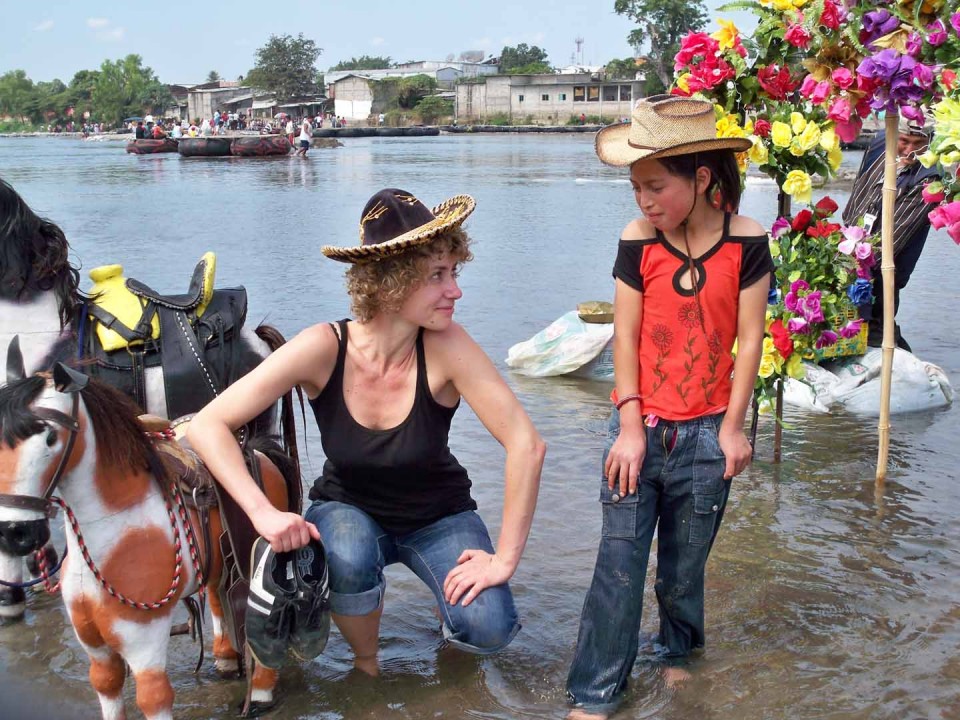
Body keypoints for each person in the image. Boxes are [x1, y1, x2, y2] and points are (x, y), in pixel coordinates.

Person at [187, 188, 544, 674]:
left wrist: (504, 559)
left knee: (488, 628)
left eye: (453, 272)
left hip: (439, 515)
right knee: (350, 558)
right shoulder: (323, 347)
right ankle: (367, 666)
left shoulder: (448, 346)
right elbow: (209, 424)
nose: (455, 290)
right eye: (437, 276)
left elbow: (526, 443)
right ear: (391, 283)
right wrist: (264, 513)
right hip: (348, 509)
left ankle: (451, 640)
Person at [565, 96, 772, 719]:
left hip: (710, 433)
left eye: (655, 186)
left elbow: (752, 338)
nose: (643, 201)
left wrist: (734, 430)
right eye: (636, 187)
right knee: (618, 569)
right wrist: (629, 427)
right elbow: (623, 336)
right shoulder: (638, 240)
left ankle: (678, 655)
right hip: (641, 427)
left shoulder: (748, 242)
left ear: (701, 178)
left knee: (684, 569)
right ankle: (595, 694)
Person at [841, 115, 940, 351]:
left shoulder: (928, 179)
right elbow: (858, 193)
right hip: (849, 247)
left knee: (877, 331)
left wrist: (846, 263)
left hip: (884, 268)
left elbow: (890, 241)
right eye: (904, 141)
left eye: (919, 145)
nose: (910, 151)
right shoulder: (879, 145)